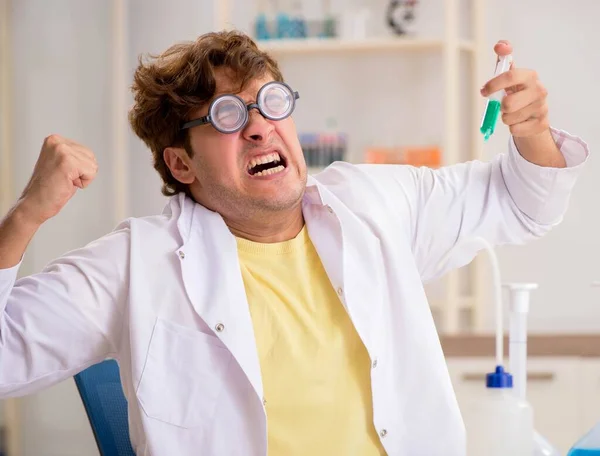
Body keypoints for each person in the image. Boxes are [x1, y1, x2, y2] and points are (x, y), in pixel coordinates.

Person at [0, 30, 589, 456]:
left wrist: (532, 131)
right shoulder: (136, 262)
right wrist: (24, 217)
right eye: (226, 116)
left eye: (269, 102)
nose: (258, 125)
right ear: (181, 164)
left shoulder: (373, 203)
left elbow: (523, 203)